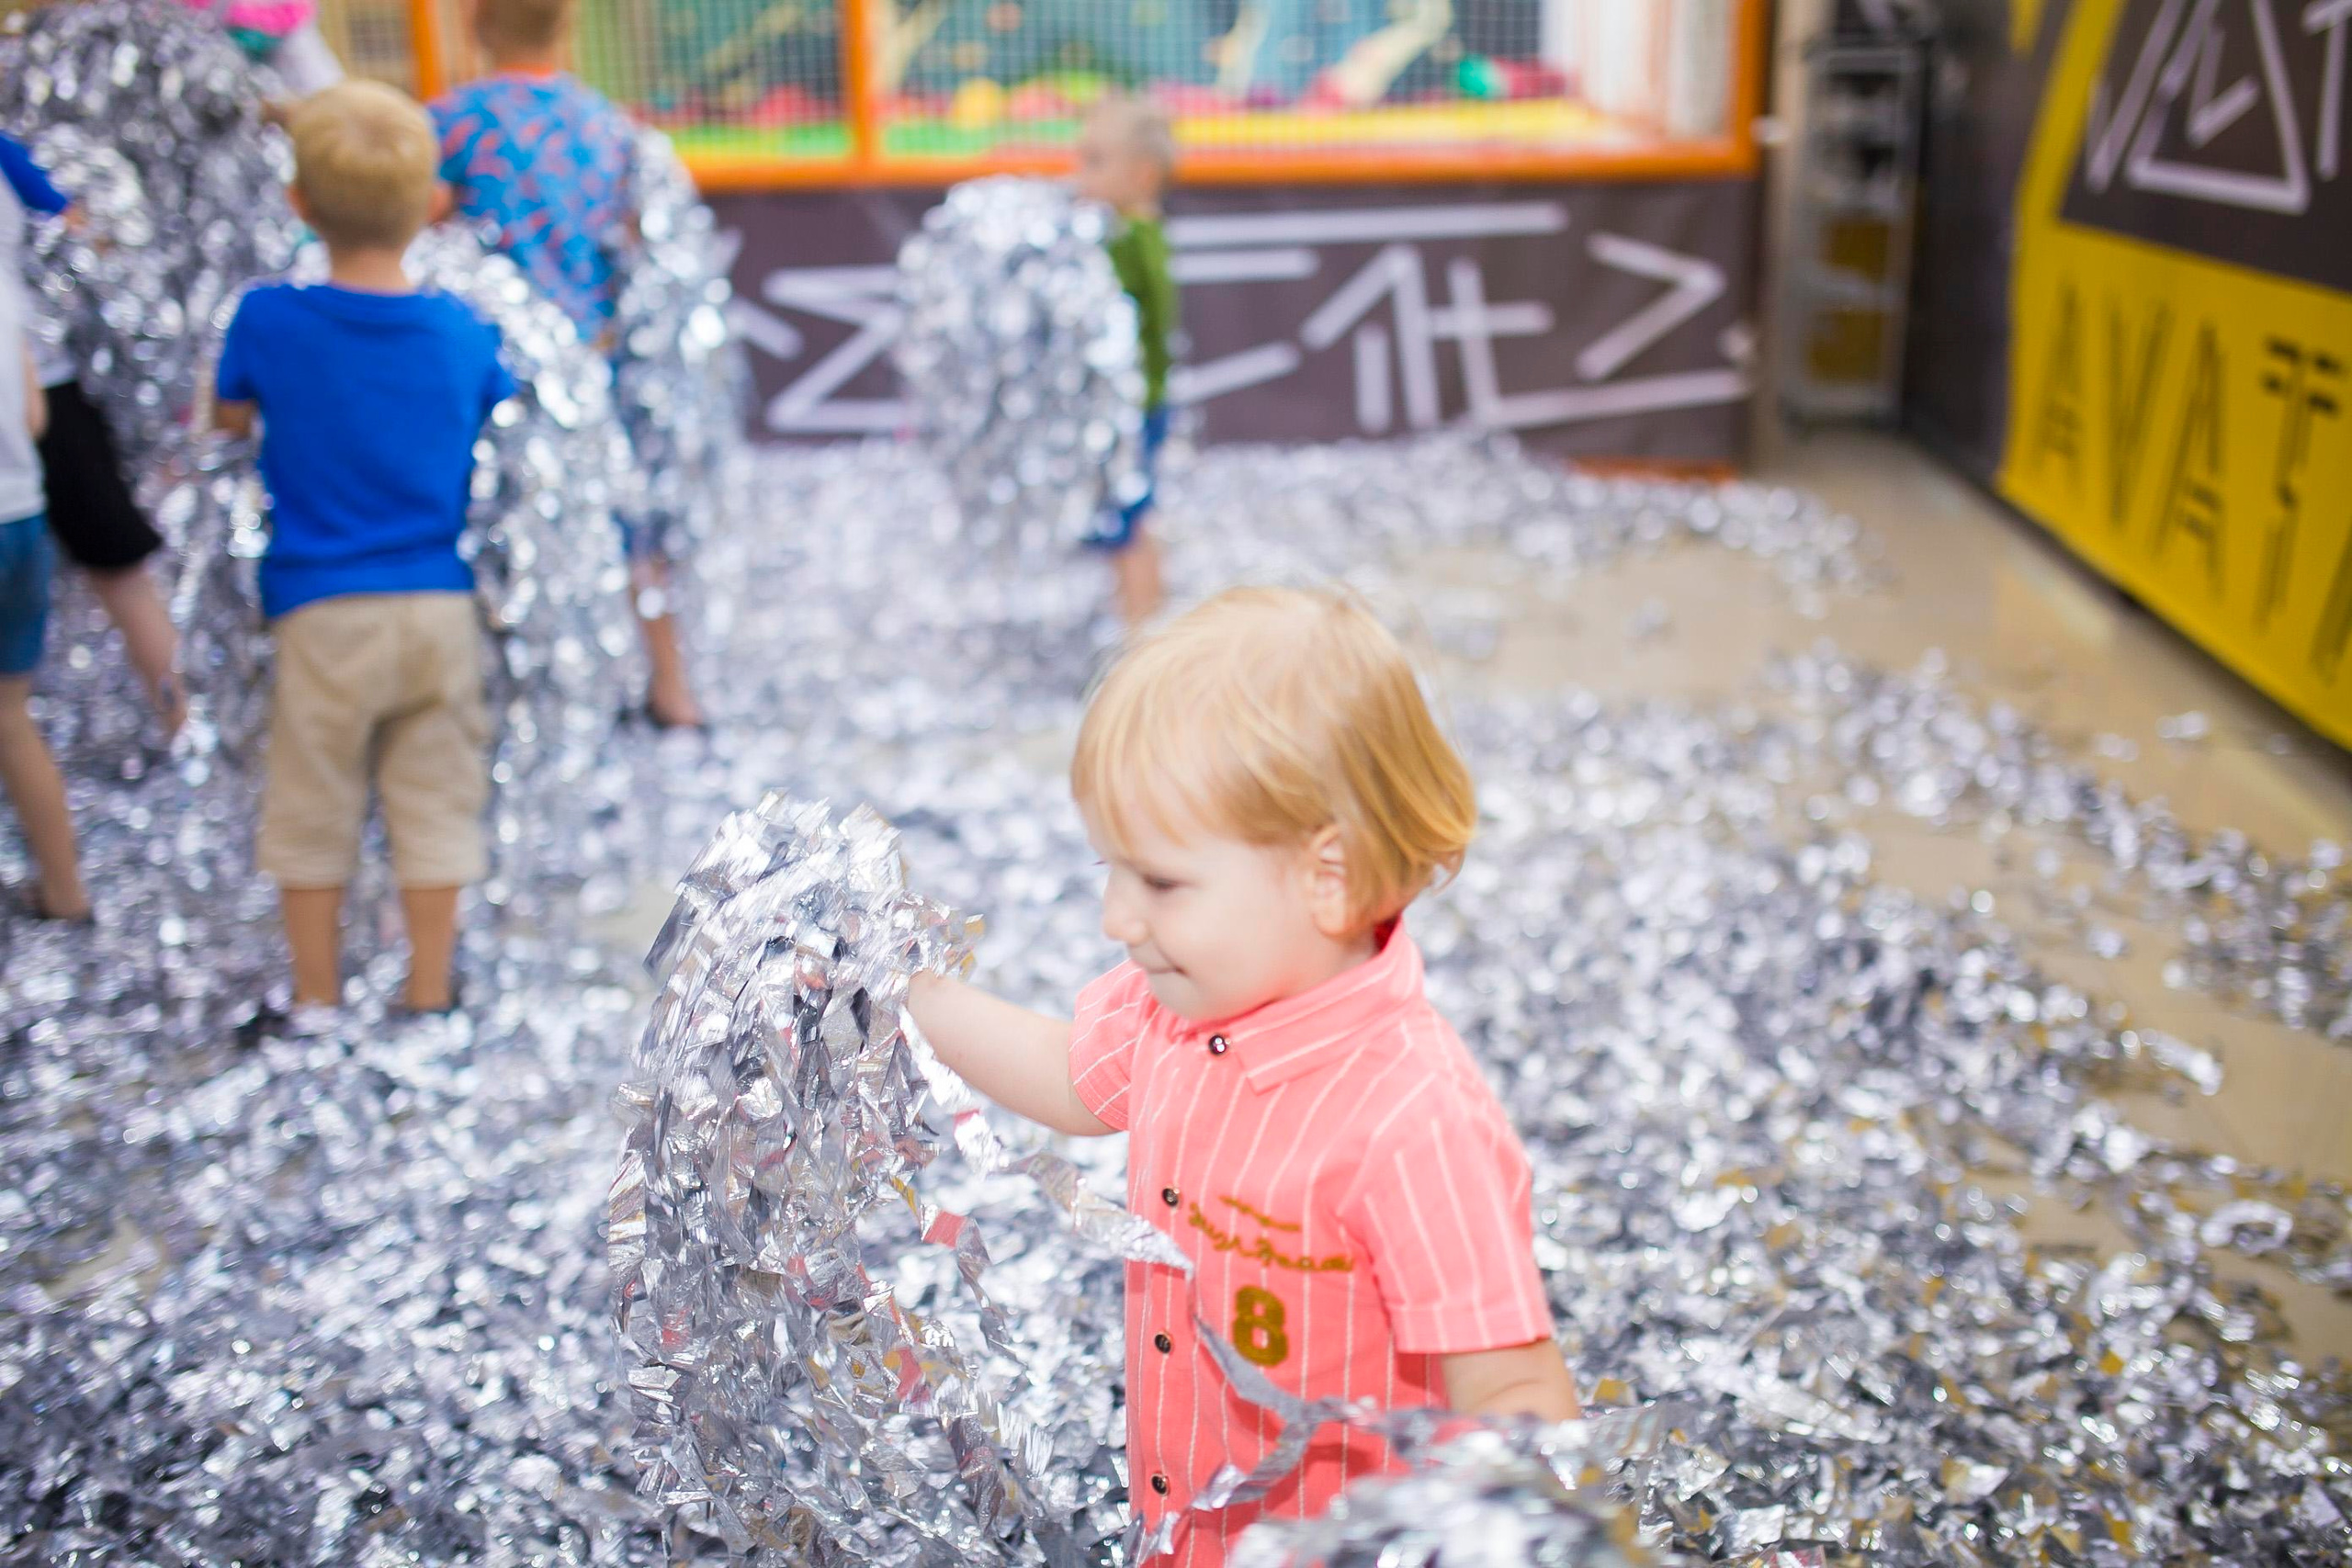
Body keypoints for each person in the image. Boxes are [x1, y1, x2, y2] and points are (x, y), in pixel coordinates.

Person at [908, 587, 1580, 1565]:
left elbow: (1512, 1389)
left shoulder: (1413, 1123)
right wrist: (910, 994)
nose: (1116, 918)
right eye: (1109, 870)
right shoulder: (1174, 1007)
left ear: (1327, 877)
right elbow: (1069, 1075)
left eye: (1159, 881)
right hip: (1185, 1527)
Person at [212, 82, 514, 1021]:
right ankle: (430, 991)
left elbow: (225, 421)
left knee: (313, 802)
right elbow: (499, 429)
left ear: (297, 203)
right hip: (438, 604)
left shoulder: (266, 319)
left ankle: (316, 997)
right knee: (436, 802)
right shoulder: (465, 332)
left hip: (321, 608)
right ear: (431, 206)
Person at [430, 0, 705, 729]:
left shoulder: (453, 122)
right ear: (567, 27)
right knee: (627, 518)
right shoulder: (608, 125)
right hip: (594, 360)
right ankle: (671, 686)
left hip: (494, 371)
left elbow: (421, 220)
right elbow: (638, 241)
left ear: (477, 24)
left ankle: (517, 701)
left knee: (497, 525)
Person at [0, 131, 187, 739]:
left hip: (40, 385)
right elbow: (75, 229)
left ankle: (183, 725)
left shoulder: (5, 154)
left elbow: (73, 228)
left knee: (119, 562)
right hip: (36, 384)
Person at [0, 232, 87, 923]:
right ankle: (65, 891)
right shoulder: (7, 289)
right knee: (9, 714)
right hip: (23, 517)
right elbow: (34, 416)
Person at [1074, 94, 1178, 626]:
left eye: (1095, 162)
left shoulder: (1132, 239)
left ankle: (1143, 632)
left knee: (1130, 525)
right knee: (1123, 523)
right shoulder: (1131, 233)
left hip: (1134, 409)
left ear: (1142, 173)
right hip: (1131, 407)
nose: (1079, 177)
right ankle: (1135, 620)